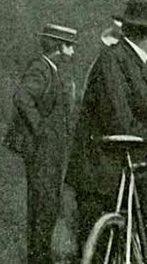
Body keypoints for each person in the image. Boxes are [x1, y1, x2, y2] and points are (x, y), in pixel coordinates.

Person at [66, 0, 147, 260]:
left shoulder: (137, 64)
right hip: (101, 175)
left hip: (128, 172)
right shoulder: (112, 61)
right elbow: (120, 123)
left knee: (127, 248)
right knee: (101, 253)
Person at [6, 24, 77, 264]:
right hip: (41, 152)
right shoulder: (40, 68)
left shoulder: (51, 70)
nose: (72, 53)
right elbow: (22, 97)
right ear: (58, 47)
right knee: (43, 206)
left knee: (47, 206)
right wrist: (41, 129)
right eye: (70, 47)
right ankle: (38, 258)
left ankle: (41, 256)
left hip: (50, 152)